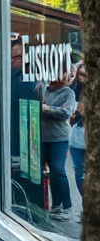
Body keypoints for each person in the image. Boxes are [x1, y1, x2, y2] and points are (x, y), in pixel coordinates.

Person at [41, 68, 75, 221]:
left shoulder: (68, 92)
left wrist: (46, 108)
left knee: (57, 169)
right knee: (46, 171)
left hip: (59, 137)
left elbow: (66, 113)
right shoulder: (43, 89)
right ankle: (55, 205)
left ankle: (67, 206)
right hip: (41, 136)